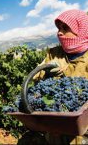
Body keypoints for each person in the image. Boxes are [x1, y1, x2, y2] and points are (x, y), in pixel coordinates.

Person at [33, 9, 88, 144]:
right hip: (55, 128)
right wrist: (45, 74)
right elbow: (35, 79)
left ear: (80, 29)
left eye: (65, 28)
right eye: (58, 28)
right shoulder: (54, 53)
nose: (59, 32)